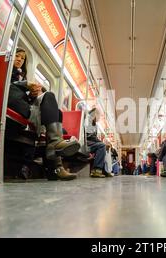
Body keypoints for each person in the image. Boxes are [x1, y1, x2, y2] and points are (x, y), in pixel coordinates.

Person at [8, 47, 79, 180]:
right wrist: (26, 85)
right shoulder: (6, 70)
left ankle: (56, 151)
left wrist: (32, 93)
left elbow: (23, 95)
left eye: (23, 58)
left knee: (56, 110)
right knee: (53, 110)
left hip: (25, 105)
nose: (20, 60)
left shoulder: (20, 76)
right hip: (19, 106)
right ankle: (56, 166)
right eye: (17, 56)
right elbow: (8, 86)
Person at [85, 107, 110, 178]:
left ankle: (103, 170)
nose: (99, 117)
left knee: (102, 146)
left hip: (89, 141)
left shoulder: (93, 123)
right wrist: (101, 142)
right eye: (99, 115)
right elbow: (90, 136)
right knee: (101, 146)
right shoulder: (88, 120)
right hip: (86, 142)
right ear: (95, 114)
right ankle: (96, 170)